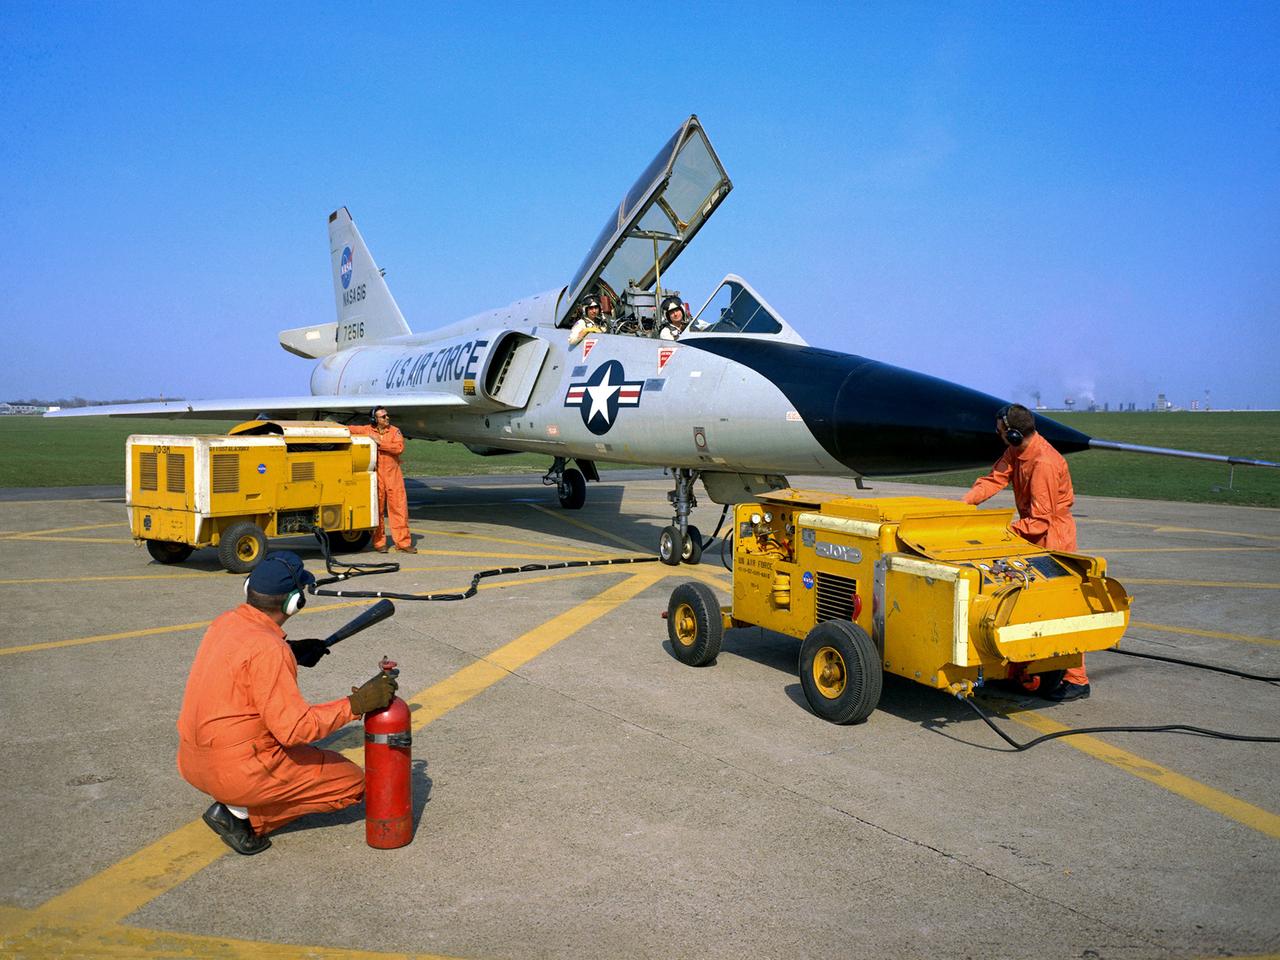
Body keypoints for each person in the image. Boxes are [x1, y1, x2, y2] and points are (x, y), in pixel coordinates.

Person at [177, 551, 398, 854]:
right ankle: (242, 816)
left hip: (192, 763)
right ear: (295, 603)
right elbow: (294, 730)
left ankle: (238, 805)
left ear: (248, 588)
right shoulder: (270, 650)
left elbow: (243, 658)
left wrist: (291, 649)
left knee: (291, 752)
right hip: (241, 773)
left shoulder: (224, 624)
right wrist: (357, 703)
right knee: (352, 784)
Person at [962, 403, 1090, 701]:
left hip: (1052, 537)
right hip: (1034, 534)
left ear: (1014, 433)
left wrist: (1005, 533)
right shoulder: (1016, 452)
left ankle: (1077, 679)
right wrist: (963, 505)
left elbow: (1041, 520)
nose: (999, 437)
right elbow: (994, 479)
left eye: (1001, 432)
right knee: (1024, 606)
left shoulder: (1043, 462)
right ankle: (1024, 672)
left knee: (1058, 608)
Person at [349, 407, 417, 553]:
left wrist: (379, 442)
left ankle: (403, 543)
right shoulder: (367, 430)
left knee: (399, 508)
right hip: (377, 476)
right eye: (383, 416)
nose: (387, 418)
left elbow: (399, 448)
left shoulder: (394, 431)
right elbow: (349, 429)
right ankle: (379, 543)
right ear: (375, 420)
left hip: (393, 475)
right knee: (377, 509)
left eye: (387, 416)